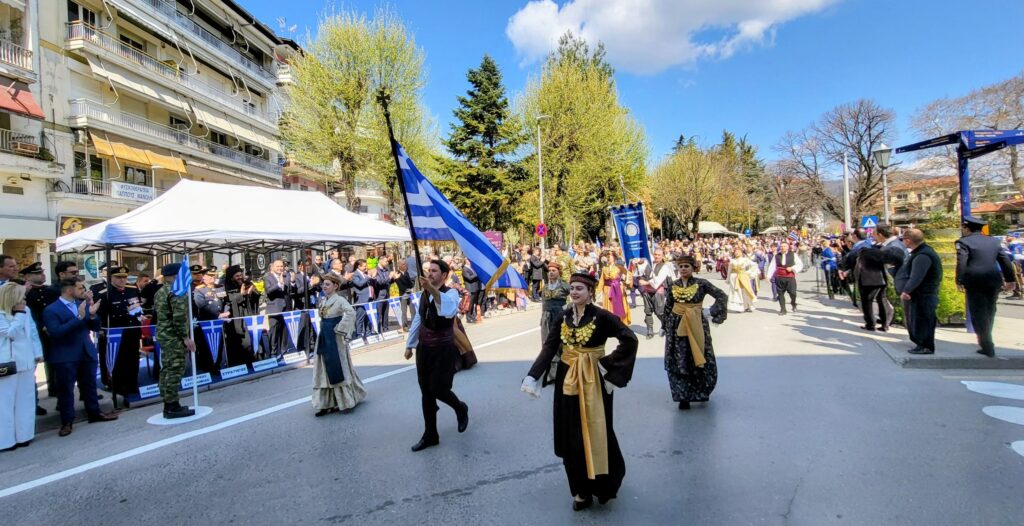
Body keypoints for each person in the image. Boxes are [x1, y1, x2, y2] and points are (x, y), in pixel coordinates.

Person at [521, 272, 638, 511]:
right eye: (572, 288)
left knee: (598, 430)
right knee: (571, 434)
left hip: (595, 379)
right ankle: (581, 491)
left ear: (590, 292)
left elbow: (630, 339)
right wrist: (533, 375)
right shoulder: (563, 317)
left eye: (579, 289)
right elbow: (550, 347)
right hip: (567, 380)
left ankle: (603, 486)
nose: (574, 292)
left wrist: (607, 366)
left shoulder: (602, 317)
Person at [403, 259, 469, 452]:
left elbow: (448, 310)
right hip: (424, 349)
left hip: (443, 349)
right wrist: (410, 344)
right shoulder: (424, 293)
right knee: (426, 392)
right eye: (428, 270)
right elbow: (419, 318)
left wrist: (431, 289)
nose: (429, 273)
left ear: (444, 275)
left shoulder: (451, 293)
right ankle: (430, 434)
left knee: (439, 389)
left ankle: (460, 408)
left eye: (434, 271)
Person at [42, 277, 118, 436]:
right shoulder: (51, 310)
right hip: (65, 355)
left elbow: (95, 327)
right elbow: (56, 332)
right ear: (69, 290)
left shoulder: (81, 304)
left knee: (89, 385)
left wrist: (92, 315)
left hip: (86, 351)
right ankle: (67, 421)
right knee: (66, 389)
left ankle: (94, 413)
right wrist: (78, 318)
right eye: (80, 288)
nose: (84, 291)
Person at [663, 255, 728, 410]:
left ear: (693, 268)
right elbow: (668, 306)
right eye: (681, 266)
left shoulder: (702, 283)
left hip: (697, 323)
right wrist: (664, 326)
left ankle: (701, 392)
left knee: (699, 354)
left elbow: (722, 296)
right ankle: (682, 396)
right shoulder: (673, 285)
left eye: (686, 266)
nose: (683, 269)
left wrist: (711, 311)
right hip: (676, 326)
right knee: (679, 358)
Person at [955, 216, 1018, 357]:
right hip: (993, 280)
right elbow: (1005, 261)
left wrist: (959, 280)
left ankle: (986, 344)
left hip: (974, 281)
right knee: (990, 310)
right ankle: (987, 339)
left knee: (978, 313)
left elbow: (962, 262)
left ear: (967, 228)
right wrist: (1010, 279)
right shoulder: (994, 241)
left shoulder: (963, 242)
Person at [312, 274, 365, 416]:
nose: (324, 287)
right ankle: (325, 403)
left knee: (338, 367)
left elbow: (351, 313)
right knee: (323, 369)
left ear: (335, 286)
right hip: (324, 337)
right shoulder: (323, 300)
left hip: (335, 338)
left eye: (327, 284)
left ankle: (345, 400)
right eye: (323, 284)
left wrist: (340, 328)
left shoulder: (340, 300)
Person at [0, 283, 44, 450]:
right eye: (21, 297)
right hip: (6, 363)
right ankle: (6, 440)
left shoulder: (26, 311)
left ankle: (24, 435)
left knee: (25, 400)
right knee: (5, 403)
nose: (24, 300)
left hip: (26, 361)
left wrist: (37, 352)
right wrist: (19, 314)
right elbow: (9, 333)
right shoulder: (3, 314)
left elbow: (32, 332)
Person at [96, 265, 144, 407]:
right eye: (118, 277)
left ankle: (132, 384)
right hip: (115, 332)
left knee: (133, 358)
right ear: (111, 278)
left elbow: (137, 307)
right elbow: (100, 315)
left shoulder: (132, 289)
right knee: (118, 361)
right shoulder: (104, 293)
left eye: (124, 277)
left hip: (132, 330)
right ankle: (118, 387)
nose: (122, 280)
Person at [154, 264, 197, 419]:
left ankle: (169, 403)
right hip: (174, 336)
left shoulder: (161, 291)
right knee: (174, 370)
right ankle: (172, 406)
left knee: (166, 369)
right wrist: (185, 337)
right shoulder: (176, 291)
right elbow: (178, 317)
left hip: (164, 334)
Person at [895, 229, 942, 355]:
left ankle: (925, 346)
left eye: (903, 239)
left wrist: (906, 290)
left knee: (923, 320)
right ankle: (922, 344)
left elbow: (916, 277)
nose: (902, 241)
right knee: (920, 319)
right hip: (923, 293)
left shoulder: (922, 255)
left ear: (908, 240)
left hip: (923, 294)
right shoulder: (923, 252)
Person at [20, 262, 56, 415]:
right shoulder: (24, 292)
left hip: (54, 332)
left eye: (42, 272)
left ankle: (56, 391)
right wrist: (42, 326)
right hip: (36, 334)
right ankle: (33, 403)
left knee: (56, 364)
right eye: (37, 273)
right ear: (28, 277)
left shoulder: (51, 290)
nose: (42, 275)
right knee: (32, 369)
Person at [539, 262, 571, 386]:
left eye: (554, 270)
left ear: (559, 272)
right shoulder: (546, 286)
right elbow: (543, 303)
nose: (551, 273)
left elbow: (575, 296)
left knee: (560, 343)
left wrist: (568, 308)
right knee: (547, 343)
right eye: (549, 271)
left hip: (559, 317)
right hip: (547, 318)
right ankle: (551, 373)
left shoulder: (564, 285)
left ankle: (563, 372)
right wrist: (542, 318)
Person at [223, 265, 261, 366]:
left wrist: (251, 293)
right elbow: (228, 301)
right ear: (231, 277)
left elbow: (257, 296)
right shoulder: (226, 287)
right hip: (235, 320)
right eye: (237, 276)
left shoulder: (247, 283)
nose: (240, 277)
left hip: (247, 316)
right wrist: (241, 295)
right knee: (238, 343)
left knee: (250, 341)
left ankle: (251, 363)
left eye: (241, 275)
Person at [854, 243, 892, 332]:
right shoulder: (878, 255)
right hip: (881, 281)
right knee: (882, 300)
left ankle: (870, 324)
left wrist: (856, 280)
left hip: (867, 282)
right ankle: (885, 325)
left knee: (867, 303)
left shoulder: (862, 257)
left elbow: (857, 270)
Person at [637, 249, 675, 337]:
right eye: (655, 254)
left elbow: (657, 281)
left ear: (662, 256)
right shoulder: (649, 264)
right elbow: (642, 274)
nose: (657, 256)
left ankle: (666, 325)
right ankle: (649, 331)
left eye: (659, 255)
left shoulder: (665, 267)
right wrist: (641, 279)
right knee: (647, 311)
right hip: (647, 292)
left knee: (659, 312)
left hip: (657, 292)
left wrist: (646, 282)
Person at [263, 260, 294, 357]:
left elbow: (291, 290)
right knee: (274, 333)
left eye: (281, 266)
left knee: (284, 332)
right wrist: (279, 284)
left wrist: (293, 282)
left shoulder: (286, 276)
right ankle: (273, 354)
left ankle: (284, 352)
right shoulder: (267, 277)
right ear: (272, 267)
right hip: (274, 309)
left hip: (286, 308)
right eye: (278, 266)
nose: (280, 268)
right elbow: (269, 291)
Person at [766, 242, 802, 315]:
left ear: (788, 247)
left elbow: (799, 264)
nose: (783, 248)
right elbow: (772, 266)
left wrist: (792, 268)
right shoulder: (777, 256)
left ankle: (793, 303)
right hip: (779, 277)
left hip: (790, 277)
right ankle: (783, 309)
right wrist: (768, 276)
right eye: (781, 246)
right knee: (780, 293)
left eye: (785, 246)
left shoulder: (793, 254)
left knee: (792, 293)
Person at [597, 251, 632, 324]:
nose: (608, 257)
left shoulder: (619, 267)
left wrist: (626, 281)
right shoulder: (604, 268)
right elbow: (601, 281)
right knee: (609, 308)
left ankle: (621, 323)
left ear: (614, 257)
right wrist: (597, 292)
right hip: (607, 290)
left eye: (609, 256)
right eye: (607, 256)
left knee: (618, 307)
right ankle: (610, 324)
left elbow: (628, 274)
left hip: (617, 289)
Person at [726, 248, 758, 312]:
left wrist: (748, 272)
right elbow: (729, 270)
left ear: (741, 253)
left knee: (745, 291)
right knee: (737, 291)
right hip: (734, 277)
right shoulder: (732, 261)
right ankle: (739, 307)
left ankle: (748, 306)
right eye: (735, 251)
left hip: (743, 277)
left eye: (738, 251)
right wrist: (728, 278)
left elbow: (754, 265)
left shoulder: (745, 260)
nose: (736, 253)